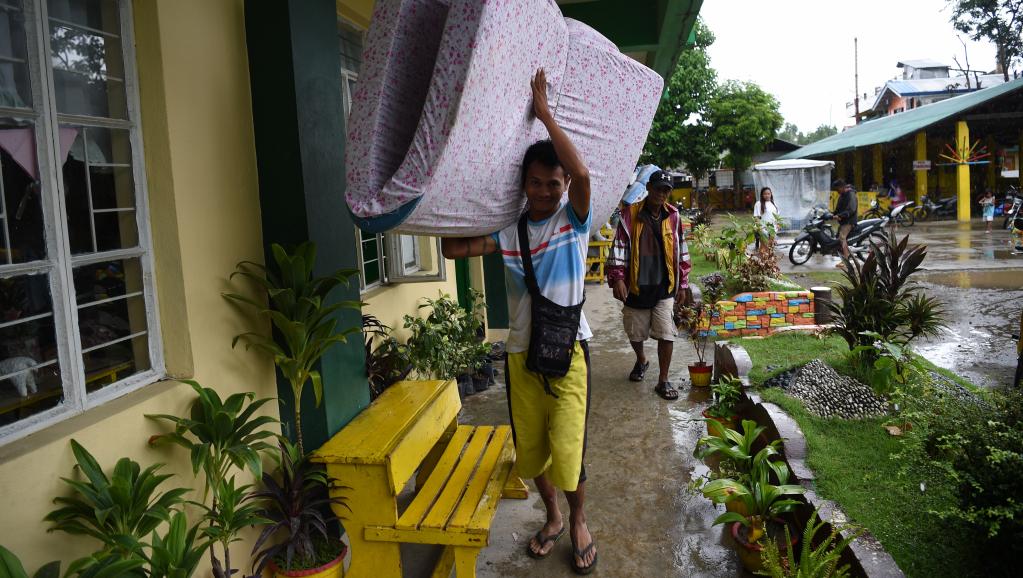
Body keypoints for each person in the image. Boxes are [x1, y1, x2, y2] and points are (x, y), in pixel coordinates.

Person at [440, 69, 597, 574]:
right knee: (531, 453)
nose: (546, 191)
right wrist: (452, 186)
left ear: (564, 184)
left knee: (568, 450)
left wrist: (544, 113)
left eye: (554, 183)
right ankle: (551, 515)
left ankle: (577, 520)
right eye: (536, 183)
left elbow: (587, 176)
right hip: (520, 358)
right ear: (523, 185)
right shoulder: (510, 233)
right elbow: (452, 247)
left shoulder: (574, 222)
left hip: (570, 353)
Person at [606, 170, 692, 401]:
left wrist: (682, 283)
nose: (661, 193)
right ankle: (642, 359)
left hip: (664, 286)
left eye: (666, 190)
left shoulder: (673, 216)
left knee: (667, 334)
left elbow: (681, 249)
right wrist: (618, 278)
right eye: (657, 188)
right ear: (649, 188)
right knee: (635, 333)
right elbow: (620, 247)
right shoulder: (630, 214)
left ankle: (663, 381)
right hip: (637, 286)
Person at [832, 179, 857, 265]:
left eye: (837, 189)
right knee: (837, 238)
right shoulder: (842, 195)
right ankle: (842, 254)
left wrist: (840, 216)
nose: (837, 192)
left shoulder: (851, 194)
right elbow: (838, 208)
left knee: (842, 238)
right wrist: (832, 214)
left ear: (842, 187)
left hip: (849, 221)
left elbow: (851, 209)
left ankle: (846, 260)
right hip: (843, 221)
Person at [753, 187, 780, 253]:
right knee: (763, 246)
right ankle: (761, 261)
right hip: (763, 228)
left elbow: (777, 216)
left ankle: (768, 261)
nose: (767, 195)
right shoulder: (758, 204)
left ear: (771, 194)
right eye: (765, 194)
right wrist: (759, 228)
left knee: (770, 245)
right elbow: (756, 217)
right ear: (762, 195)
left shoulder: (774, 203)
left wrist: (778, 224)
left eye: (768, 193)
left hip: (773, 228)